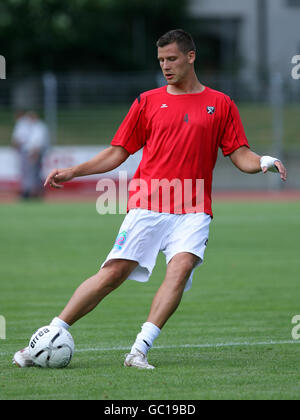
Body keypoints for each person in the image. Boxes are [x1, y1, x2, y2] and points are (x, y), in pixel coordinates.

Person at [13, 29, 287, 369]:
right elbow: (118, 153)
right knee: (114, 272)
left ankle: (139, 350)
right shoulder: (147, 101)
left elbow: (239, 154)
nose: (165, 66)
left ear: (191, 56)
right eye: (160, 60)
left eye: (172, 58)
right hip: (148, 203)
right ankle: (49, 337)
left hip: (194, 208)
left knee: (181, 267)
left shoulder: (221, 103)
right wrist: (75, 171)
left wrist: (263, 162)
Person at [12, 110, 49, 200]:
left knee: (31, 172)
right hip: (30, 151)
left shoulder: (38, 127)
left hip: (33, 152)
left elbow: (37, 141)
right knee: (32, 172)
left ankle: (31, 192)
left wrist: (35, 152)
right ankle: (33, 191)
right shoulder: (33, 126)